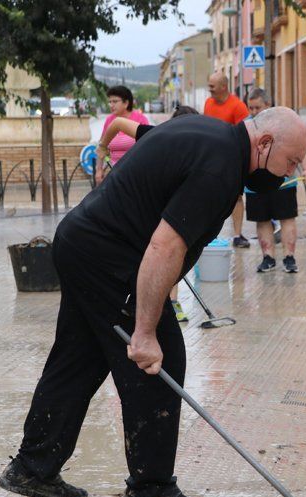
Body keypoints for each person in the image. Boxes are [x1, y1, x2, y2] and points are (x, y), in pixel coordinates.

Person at [0, 107, 306, 497]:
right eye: (291, 162)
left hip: (81, 241)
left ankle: (33, 468)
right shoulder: (219, 168)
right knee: (160, 362)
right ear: (265, 144)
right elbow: (165, 248)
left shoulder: (209, 135)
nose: (292, 172)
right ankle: (151, 491)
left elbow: (151, 149)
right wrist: (144, 331)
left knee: (79, 359)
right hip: (108, 257)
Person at [95, 105, 200, 323]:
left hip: (171, 210)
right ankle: (139, 300)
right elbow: (117, 123)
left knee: (173, 253)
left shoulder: (201, 151)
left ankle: (170, 302)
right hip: (144, 208)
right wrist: (102, 147)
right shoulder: (158, 135)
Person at [245, 88, 306, 273]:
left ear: (268, 105)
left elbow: (299, 147)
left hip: (284, 182)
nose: (253, 112)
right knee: (262, 220)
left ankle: (289, 258)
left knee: (287, 218)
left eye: (257, 107)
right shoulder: (247, 125)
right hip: (254, 186)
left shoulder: (283, 123)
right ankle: (268, 257)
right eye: (250, 108)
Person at [203, 73, 250, 248]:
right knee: (208, 194)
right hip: (210, 157)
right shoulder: (208, 103)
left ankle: (237, 235)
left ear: (224, 86)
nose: (210, 89)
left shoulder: (238, 107)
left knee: (236, 197)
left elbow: (244, 134)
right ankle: (206, 232)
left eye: (212, 86)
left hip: (232, 158)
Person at [95, 85, 149, 185]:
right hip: (115, 174)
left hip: (137, 175)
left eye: (115, 101)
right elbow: (102, 146)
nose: (111, 105)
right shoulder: (109, 120)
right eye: (110, 102)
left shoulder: (140, 119)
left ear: (126, 103)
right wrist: (99, 169)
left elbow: (149, 146)